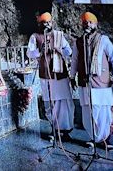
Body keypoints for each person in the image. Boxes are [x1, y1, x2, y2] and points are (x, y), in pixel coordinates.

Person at [70, 12, 113, 151]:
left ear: (95, 24)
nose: (87, 24)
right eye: (85, 22)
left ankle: (105, 139)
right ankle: (93, 138)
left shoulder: (103, 40)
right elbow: (74, 60)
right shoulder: (78, 42)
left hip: (101, 84)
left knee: (104, 112)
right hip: (84, 83)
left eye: (90, 22)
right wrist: (72, 76)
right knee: (88, 112)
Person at [27, 12, 75, 142]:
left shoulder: (59, 35)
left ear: (51, 23)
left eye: (48, 22)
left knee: (64, 103)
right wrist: (39, 51)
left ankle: (65, 132)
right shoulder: (35, 36)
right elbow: (29, 53)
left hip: (60, 75)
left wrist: (61, 50)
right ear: (40, 24)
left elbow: (69, 51)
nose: (46, 25)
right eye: (43, 23)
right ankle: (54, 129)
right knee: (50, 103)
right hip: (46, 76)